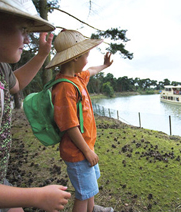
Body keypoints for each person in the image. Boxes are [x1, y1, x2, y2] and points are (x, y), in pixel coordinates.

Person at [0, 0, 71, 211]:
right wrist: (36, 196)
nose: (27, 39)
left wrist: (42, 53)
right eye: (22, 29)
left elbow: (15, 85)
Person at [46, 29, 114, 212]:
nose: (87, 61)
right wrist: (87, 152)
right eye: (86, 56)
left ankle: (92, 210)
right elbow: (69, 126)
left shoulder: (77, 78)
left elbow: (90, 70)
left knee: (89, 188)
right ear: (75, 58)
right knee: (83, 194)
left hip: (85, 148)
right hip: (78, 152)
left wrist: (104, 66)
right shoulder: (64, 88)